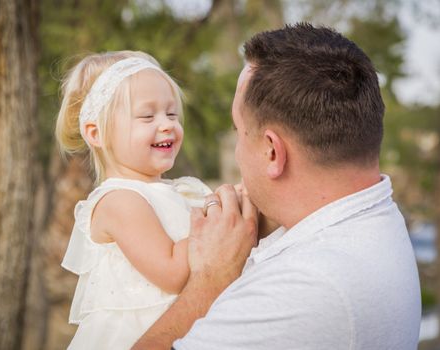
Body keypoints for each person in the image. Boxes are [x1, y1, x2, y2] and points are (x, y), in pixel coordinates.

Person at [133, 23, 421, 350]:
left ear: (272, 151)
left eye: (239, 131)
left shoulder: (304, 288)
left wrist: (211, 279)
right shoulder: (373, 215)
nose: (239, 153)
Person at [55, 51, 213, 349]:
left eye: (171, 113)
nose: (166, 124)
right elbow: (173, 273)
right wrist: (217, 220)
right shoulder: (120, 201)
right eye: (147, 116)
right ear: (96, 133)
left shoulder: (182, 190)